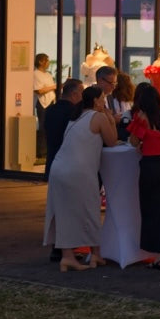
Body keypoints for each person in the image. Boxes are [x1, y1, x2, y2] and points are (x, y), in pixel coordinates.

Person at [42, 85, 117, 271]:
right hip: (78, 171)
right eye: (101, 99)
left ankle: (87, 255)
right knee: (88, 210)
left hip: (59, 168)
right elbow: (112, 141)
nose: (103, 102)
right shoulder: (97, 116)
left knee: (66, 212)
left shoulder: (76, 117)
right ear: (95, 101)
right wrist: (111, 119)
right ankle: (77, 257)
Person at [127, 82, 160, 270]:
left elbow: (133, 142)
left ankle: (159, 256)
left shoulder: (141, 117)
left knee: (153, 210)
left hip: (152, 167)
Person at [44, 78, 83, 178]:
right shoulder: (74, 113)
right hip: (69, 163)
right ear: (74, 94)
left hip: (52, 160)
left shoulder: (50, 110)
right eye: (82, 93)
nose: (83, 97)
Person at [33, 53, 56, 158]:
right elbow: (39, 90)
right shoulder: (35, 74)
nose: (48, 63)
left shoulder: (48, 75)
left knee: (50, 126)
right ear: (41, 62)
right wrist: (54, 87)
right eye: (47, 60)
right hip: (42, 103)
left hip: (51, 101)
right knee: (42, 126)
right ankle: (41, 151)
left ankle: (48, 149)